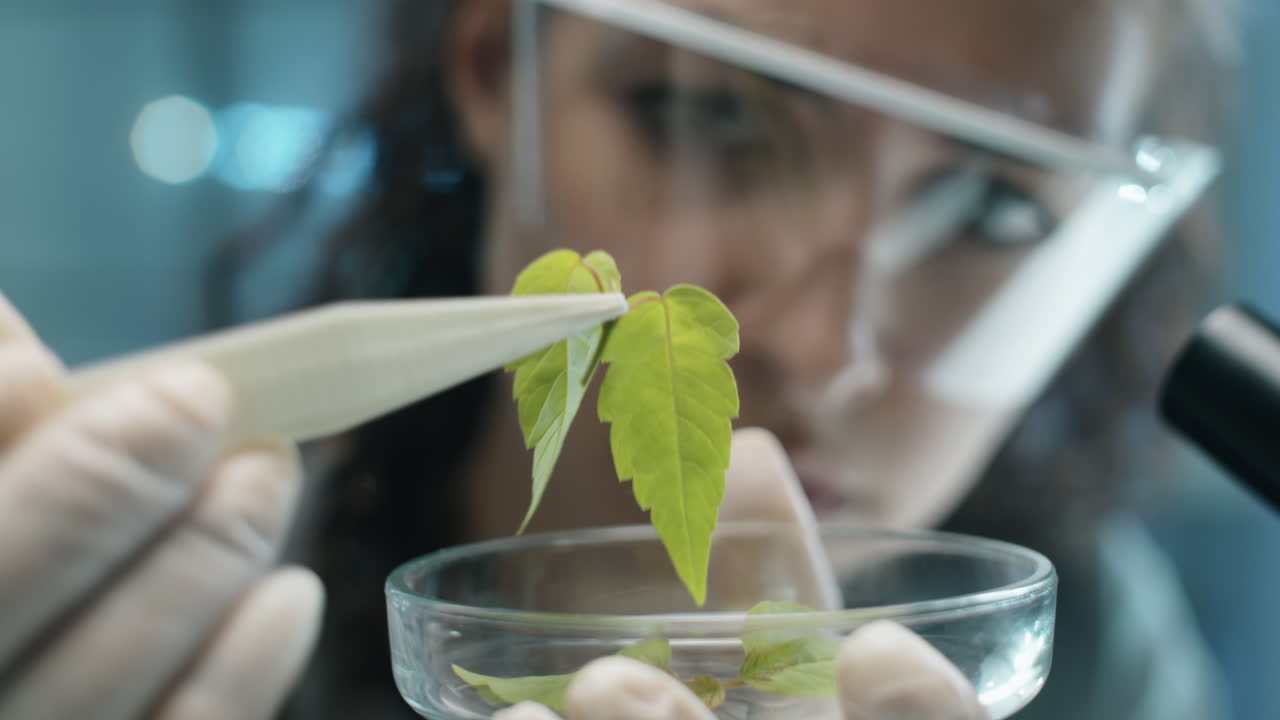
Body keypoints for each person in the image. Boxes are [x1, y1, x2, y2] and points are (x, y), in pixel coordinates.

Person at [0, 0, 1237, 718]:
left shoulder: (1081, 651)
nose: (822, 349)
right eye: (708, 118)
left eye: (991, 209)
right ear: (494, 70)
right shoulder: (179, 625)